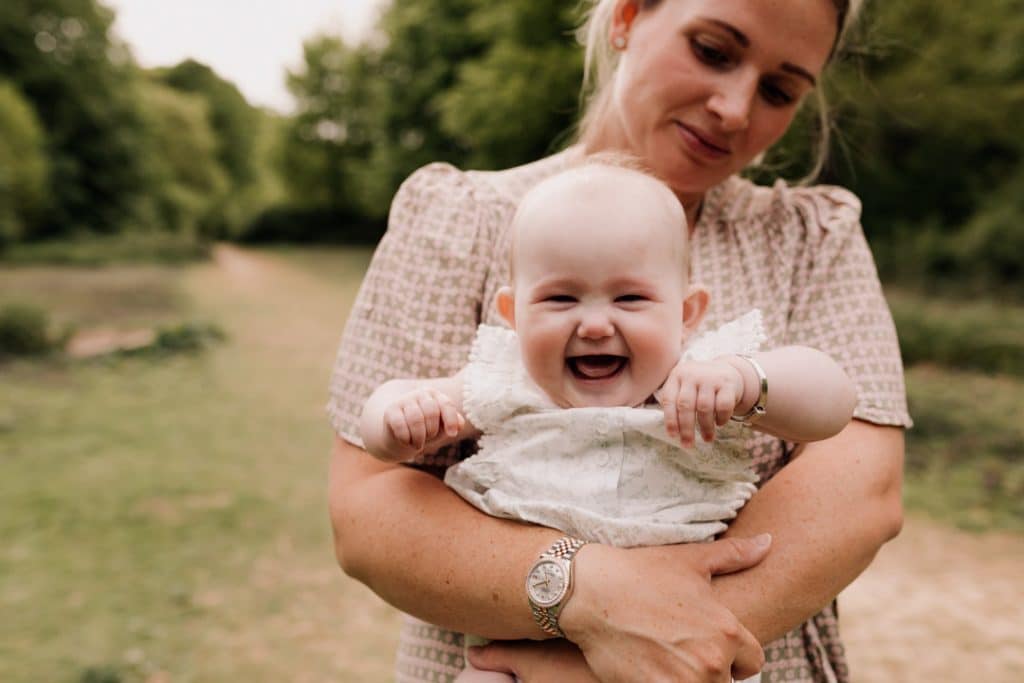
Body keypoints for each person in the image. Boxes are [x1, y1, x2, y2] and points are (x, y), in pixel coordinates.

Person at [326, 0, 911, 681]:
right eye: (714, 51)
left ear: (691, 311)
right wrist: (589, 601)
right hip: (504, 665)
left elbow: (862, 485)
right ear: (629, 15)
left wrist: (662, 647)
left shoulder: (811, 237)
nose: (733, 107)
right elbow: (368, 510)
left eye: (779, 90)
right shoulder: (460, 219)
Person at [358, 159, 859, 683]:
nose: (595, 324)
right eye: (559, 298)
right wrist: (398, 417)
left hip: (680, 639)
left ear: (686, 314)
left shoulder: (701, 381)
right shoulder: (507, 383)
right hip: (520, 646)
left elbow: (834, 402)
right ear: (513, 313)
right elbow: (381, 423)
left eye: (630, 298)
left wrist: (746, 379)